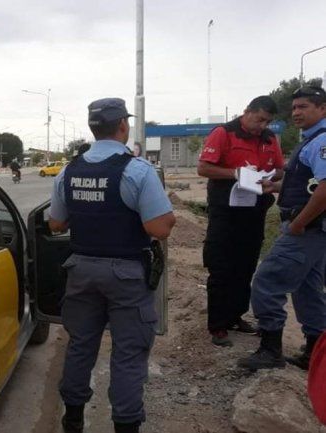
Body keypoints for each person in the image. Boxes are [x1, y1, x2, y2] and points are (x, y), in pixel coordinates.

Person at [49, 98, 176, 433]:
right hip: (126, 275)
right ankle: (125, 424)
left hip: (81, 272)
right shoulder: (137, 170)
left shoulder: (69, 171)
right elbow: (159, 228)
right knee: (128, 354)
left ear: (93, 128)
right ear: (123, 125)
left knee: (80, 346)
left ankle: (73, 418)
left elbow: (56, 225)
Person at [238, 86, 326, 371]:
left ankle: (270, 350)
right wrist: (274, 186)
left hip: (306, 229)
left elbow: (325, 188)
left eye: (304, 107)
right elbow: (308, 182)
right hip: (314, 231)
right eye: (295, 107)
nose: (296, 112)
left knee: (266, 281)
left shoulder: (321, 141)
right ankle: (314, 352)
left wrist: (299, 224)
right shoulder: (311, 140)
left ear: (322, 108)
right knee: (307, 289)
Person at [197, 96, 284, 347]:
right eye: (259, 119)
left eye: (267, 121)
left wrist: (266, 175)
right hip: (226, 213)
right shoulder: (224, 133)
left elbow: (279, 169)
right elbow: (204, 168)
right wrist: (235, 173)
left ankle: (236, 316)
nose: (262, 126)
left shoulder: (269, 139)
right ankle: (218, 325)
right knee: (221, 267)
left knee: (246, 267)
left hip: (254, 212)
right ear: (247, 112)